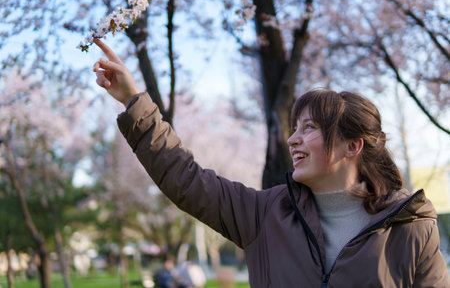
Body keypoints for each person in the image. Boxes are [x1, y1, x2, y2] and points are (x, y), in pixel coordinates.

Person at [92, 38, 450, 287]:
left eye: (309, 128)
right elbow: (186, 179)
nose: (292, 139)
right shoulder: (263, 214)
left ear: (352, 145)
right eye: (294, 127)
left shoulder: (410, 226)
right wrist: (133, 101)